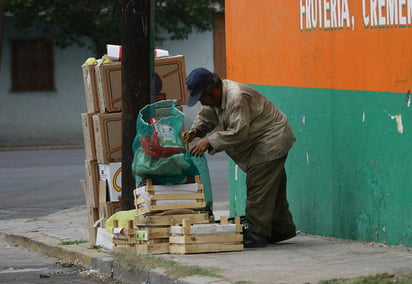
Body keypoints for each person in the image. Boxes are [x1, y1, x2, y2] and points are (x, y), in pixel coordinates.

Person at [183, 67, 297, 248]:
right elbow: (207, 115)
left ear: (213, 90)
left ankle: (258, 233)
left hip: (271, 139)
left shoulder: (236, 98)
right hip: (262, 139)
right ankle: (282, 228)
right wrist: (196, 130)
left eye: (201, 98)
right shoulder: (215, 98)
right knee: (273, 189)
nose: (201, 102)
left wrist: (209, 141)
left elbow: (238, 133)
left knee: (258, 185)